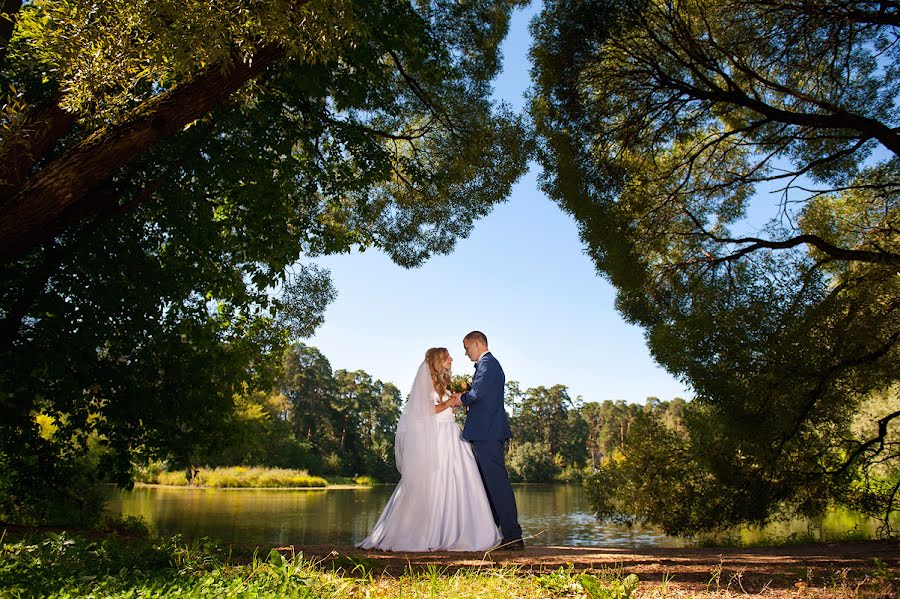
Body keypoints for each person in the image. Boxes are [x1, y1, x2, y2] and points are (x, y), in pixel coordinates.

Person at [357, 347, 501, 551]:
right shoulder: (427, 384)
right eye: (447, 357)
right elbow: (426, 410)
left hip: (453, 435)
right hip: (438, 437)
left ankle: (464, 531)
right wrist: (451, 401)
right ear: (438, 361)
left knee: (460, 481)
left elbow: (447, 405)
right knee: (436, 480)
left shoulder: (444, 383)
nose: (451, 359)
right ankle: (426, 532)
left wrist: (457, 400)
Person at [449, 331, 524, 550]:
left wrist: (460, 399)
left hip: (488, 433)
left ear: (477, 343)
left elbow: (477, 393)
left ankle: (513, 535)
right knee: (488, 485)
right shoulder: (489, 365)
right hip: (486, 432)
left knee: (497, 485)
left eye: (466, 348)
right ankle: (494, 533)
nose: (465, 353)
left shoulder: (488, 364)